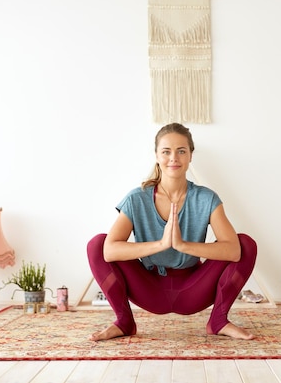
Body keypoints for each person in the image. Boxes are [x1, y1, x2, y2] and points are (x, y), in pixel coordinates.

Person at [86, 123, 258, 341]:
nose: (173, 158)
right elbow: (109, 251)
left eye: (181, 151)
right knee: (97, 244)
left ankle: (218, 320)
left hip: (193, 290)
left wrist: (182, 245)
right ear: (157, 155)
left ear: (190, 156)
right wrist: (161, 244)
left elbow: (233, 251)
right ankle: (124, 322)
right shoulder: (136, 199)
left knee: (245, 244)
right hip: (149, 289)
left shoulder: (207, 198)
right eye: (166, 151)